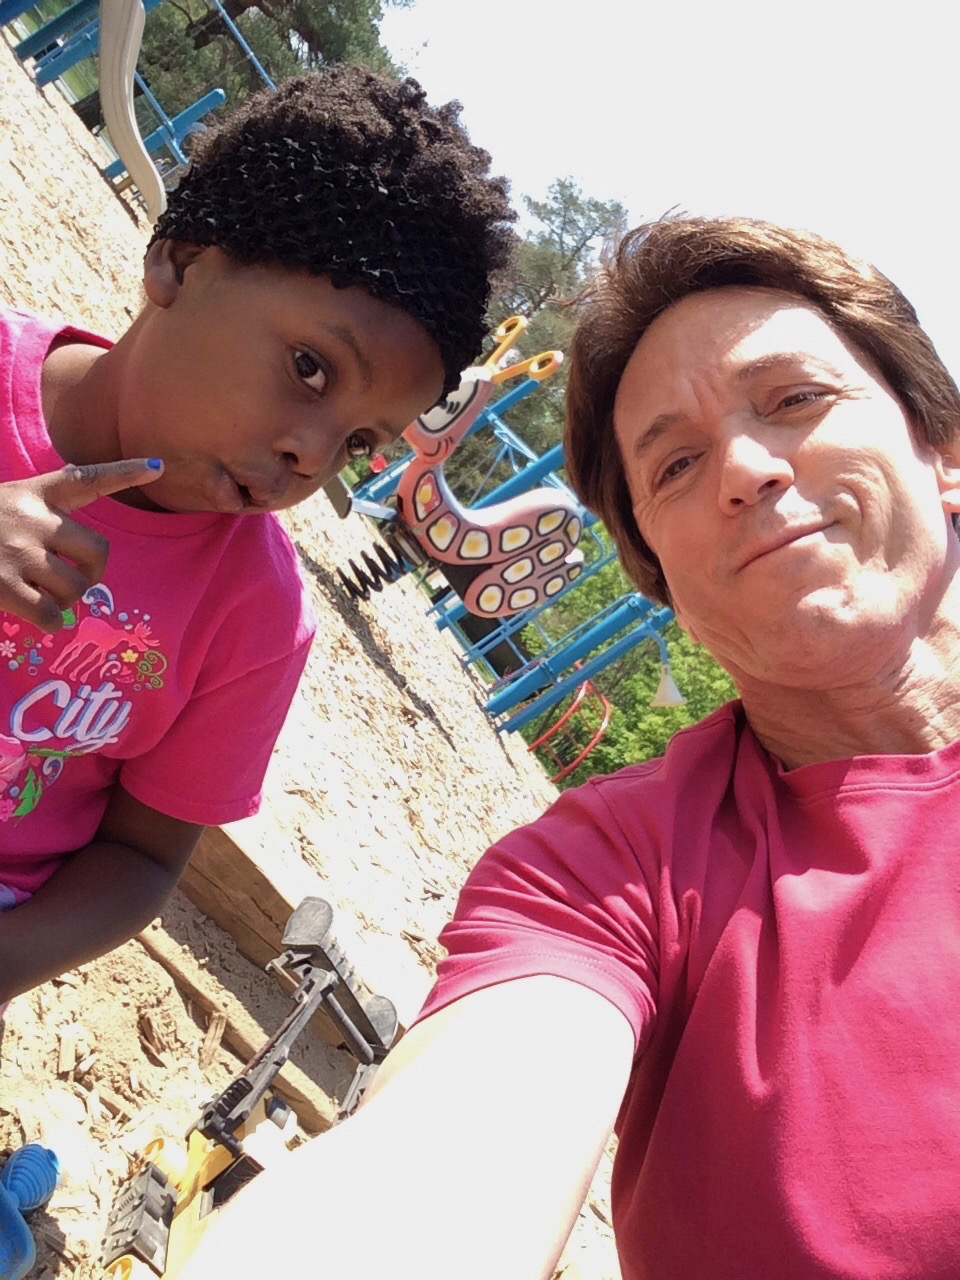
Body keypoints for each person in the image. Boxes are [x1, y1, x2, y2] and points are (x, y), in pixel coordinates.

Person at [174, 214, 960, 1280]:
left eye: (795, 399)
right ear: (659, 573)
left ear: (941, 446)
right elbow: (450, 1151)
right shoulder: (609, 875)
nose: (744, 468)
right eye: (676, 464)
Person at [0, 66, 515, 1007]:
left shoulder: (257, 620)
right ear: (180, 261)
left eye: (357, 442)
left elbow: (141, 856)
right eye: (310, 369)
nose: (309, 456)